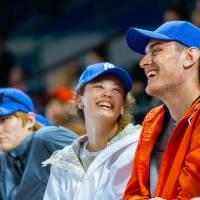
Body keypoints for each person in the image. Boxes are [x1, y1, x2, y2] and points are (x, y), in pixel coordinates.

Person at [123, 20, 200, 199]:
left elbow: (191, 192)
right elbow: (131, 194)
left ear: (189, 57)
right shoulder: (153, 120)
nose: (143, 62)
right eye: (145, 54)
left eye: (156, 51)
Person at [43, 62, 142, 200]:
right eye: (99, 87)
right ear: (79, 100)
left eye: (116, 90)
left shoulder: (139, 146)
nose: (108, 93)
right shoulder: (63, 161)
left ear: (122, 107)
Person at [0, 88, 77, 200]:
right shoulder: (6, 158)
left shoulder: (46, 137)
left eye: (4, 119)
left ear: (30, 121)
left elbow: (99, 164)